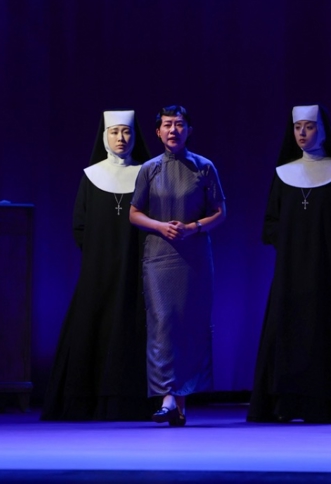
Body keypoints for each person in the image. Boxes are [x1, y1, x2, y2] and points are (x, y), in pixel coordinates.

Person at [247, 104, 331, 423]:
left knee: (326, 327)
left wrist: (325, 242)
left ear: (323, 131)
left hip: (328, 271)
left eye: (309, 127)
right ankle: (285, 405)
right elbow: (271, 222)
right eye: (297, 127)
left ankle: (329, 405)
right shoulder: (283, 174)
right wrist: (293, 242)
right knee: (287, 328)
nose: (302, 133)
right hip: (290, 270)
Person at [42, 109, 153, 421]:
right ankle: (86, 402)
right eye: (115, 132)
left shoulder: (146, 174)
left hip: (135, 269)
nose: (121, 138)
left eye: (126, 132)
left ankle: (131, 402)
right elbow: (79, 225)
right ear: (105, 137)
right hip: (97, 271)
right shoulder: (91, 176)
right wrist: (96, 257)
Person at [129, 105, 226, 427]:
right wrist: (160, 226)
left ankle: (178, 404)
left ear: (189, 130)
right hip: (159, 256)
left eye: (179, 124)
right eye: (167, 125)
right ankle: (168, 397)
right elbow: (134, 213)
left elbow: (220, 212)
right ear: (158, 132)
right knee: (163, 323)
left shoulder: (204, 167)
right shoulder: (149, 169)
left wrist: (193, 227)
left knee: (188, 324)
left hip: (194, 256)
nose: (173, 130)